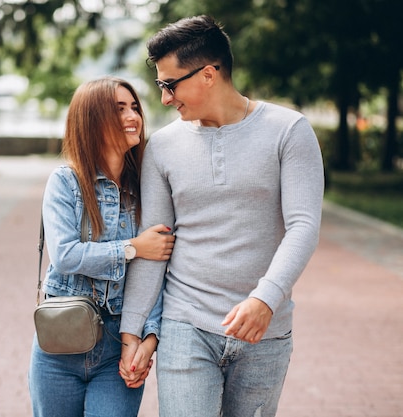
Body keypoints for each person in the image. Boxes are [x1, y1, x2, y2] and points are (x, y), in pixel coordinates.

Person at [119, 15, 324, 417]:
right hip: (186, 325)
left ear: (208, 74)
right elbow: (155, 242)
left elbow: (303, 226)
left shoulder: (289, 131)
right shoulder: (162, 147)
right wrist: (132, 331)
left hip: (265, 331)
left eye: (169, 84)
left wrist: (265, 299)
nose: (164, 99)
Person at [28, 76, 175, 417]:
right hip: (59, 345)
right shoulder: (66, 182)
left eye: (135, 107)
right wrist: (133, 247)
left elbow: (157, 272)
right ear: (92, 120)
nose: (133, 116)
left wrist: (147, 340)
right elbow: (65, 256)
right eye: (119, 109)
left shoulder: (146, 189)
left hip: (118, 345)